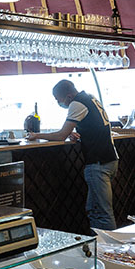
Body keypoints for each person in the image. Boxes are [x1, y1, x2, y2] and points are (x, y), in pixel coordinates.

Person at [26, 79, 118, 230]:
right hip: (110, 160)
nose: (59, 103)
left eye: (58, 100)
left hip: (98, 163)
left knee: (102, 213)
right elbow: (94, 126)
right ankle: (101, 244)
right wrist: (78, 134)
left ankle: (108, 245)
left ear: (68, 96)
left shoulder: (77, 103)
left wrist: (36, 135)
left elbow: (61, 135)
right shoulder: (90, 98)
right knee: (95, 210)